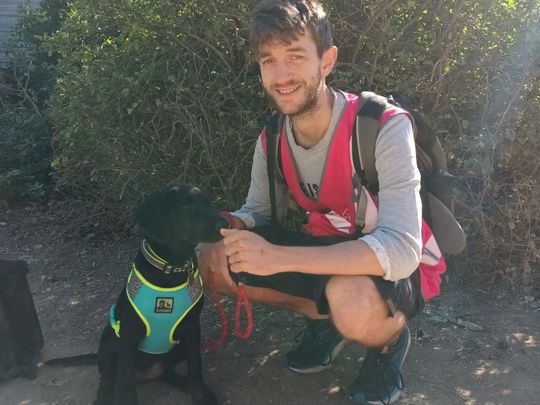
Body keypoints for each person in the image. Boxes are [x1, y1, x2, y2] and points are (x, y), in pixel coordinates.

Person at [197, 0, 423, 404]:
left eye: (295, 56)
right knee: (217, 263)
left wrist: (280, 258)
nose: (281, 76)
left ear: (327, 60)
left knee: (349, 298)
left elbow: (403, 250)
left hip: (391, 268)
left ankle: (388, 341)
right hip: (325, 250)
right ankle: (327, 322)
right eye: (269, 60)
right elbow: (258, 212)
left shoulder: (382, 125)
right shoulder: (273, 137)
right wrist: (225, 228)